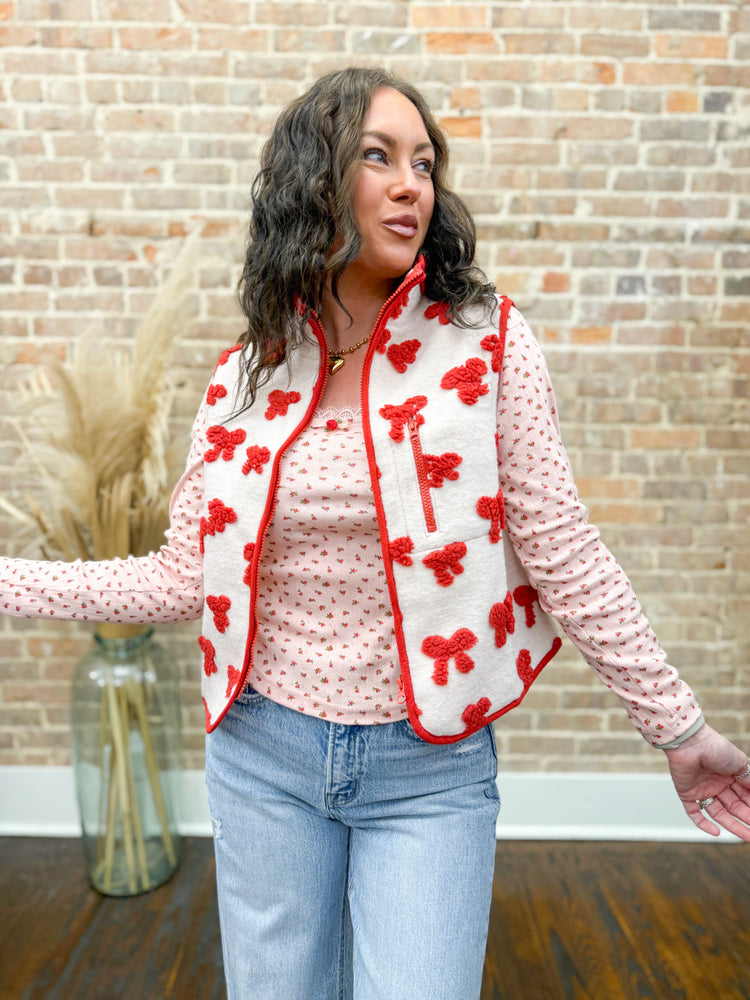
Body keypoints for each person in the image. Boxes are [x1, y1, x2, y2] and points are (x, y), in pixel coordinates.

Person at [2, 66, 749, 1000]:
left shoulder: (487, 343)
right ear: (313, 180)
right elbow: (180, 576)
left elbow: (563, 548)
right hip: (261, 754)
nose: (411, 184)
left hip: (428, 768)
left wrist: (677, 726)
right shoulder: (244, 377)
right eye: (378, 156)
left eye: (425, 163)